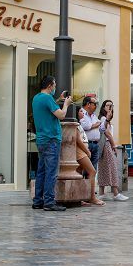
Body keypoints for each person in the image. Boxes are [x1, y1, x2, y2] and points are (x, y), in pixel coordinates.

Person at [32, 75, 70, 212]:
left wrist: (58, 99)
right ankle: (49, 202)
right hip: (51, 139)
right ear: (49, 86)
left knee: (41, 171)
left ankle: (38, 201)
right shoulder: (47, 98)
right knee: (51, 173)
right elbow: (61, 115)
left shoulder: (36, 98)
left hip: (41, 140)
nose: (55, 87)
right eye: (54, 85)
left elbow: (47, 108)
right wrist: (65, 104)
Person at [96, 100, 127, 201]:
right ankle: (115, 193)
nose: (110, 107)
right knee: (112, 168)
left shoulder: (104, 118)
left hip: (104, 145)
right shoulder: (104, 118)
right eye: (107, 105)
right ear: (103, 107)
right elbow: (107, 133)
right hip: (106, 144)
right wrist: (114, 145)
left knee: (104, 168)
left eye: (111, 105)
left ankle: (101, 192)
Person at [79, 95, 102, 173]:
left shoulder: (93, 115)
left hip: (95, 144)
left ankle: (90, 185)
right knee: (85, 169)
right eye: (94, 104)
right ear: (88, 104)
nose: (96, 106)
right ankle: (84, 185)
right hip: (86, 144)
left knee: (93, 169)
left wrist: (93, 125)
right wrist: (95, 125)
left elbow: (100, 125)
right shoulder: (80, 112)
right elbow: (85, 126)